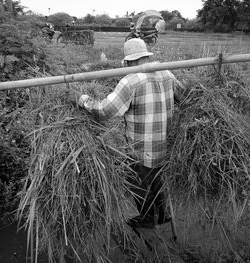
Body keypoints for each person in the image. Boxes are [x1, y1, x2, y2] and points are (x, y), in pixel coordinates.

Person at [68, 38, 185, 228]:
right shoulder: (167, 73)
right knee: (158, 178)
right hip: (165, 144)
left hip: (142, 148)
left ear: (129, 61)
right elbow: (185, 97)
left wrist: (82, 99)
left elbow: (106, 110)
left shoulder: (130, 81)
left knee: (139, 183)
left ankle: (147, 219)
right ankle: (164, 215)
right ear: (145, 56)